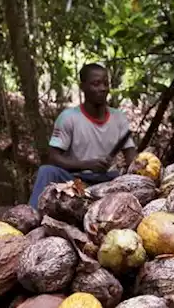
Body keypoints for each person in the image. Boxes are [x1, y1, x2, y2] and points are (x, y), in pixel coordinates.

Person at [29, 63, 137, 208]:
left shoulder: (119, 118)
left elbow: (131, 158)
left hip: (109, 181)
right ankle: (33, 216)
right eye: (96, 84)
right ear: (83, 87)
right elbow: (53, 157)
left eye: (105, 83)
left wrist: (136, 172)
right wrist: (88, 165)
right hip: (76, 179)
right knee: (47, 171)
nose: (103, 88)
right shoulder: (68, 118)